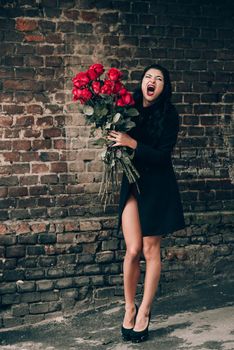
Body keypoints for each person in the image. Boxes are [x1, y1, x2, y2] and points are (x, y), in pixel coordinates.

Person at [107, 63, 186, 343]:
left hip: (158, 187)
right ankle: (129, 307)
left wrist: (132, 144)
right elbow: (119, 141)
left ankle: (145, 311)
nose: (152, 82)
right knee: (132, 250)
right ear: (142, 82)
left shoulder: (170, 115)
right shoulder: (127, 109)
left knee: (151, 250)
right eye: (148, 77)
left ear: (165, 87)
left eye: (159, 79)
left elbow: (163, 157)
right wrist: (113, 140)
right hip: (133, 184)